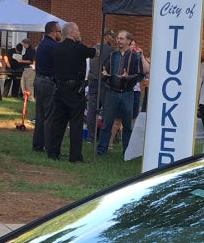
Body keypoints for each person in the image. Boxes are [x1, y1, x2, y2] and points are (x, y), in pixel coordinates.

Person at [34, 20, 91, 162]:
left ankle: (52, 151)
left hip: (58, 88)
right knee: (76, 123)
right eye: (77, 30)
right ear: (72, 33)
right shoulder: (78, 48)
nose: (79, 33)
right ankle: (75, 156)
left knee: (57, 121)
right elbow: (93, 52)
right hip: (73, 90)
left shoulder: (56, 48)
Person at [95, 29, 146, 157]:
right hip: (112, 93)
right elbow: (105, 70)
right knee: (107, 123)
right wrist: (105, 75)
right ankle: (101, 150)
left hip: (127, 93)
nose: (118, 40)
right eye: (118, 38)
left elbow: (140, 75)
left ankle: (127, 152)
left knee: (127, 125)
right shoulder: (113, 56)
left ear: (129, 41)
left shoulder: (134, 57)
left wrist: (128, 77)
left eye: (122, 38)